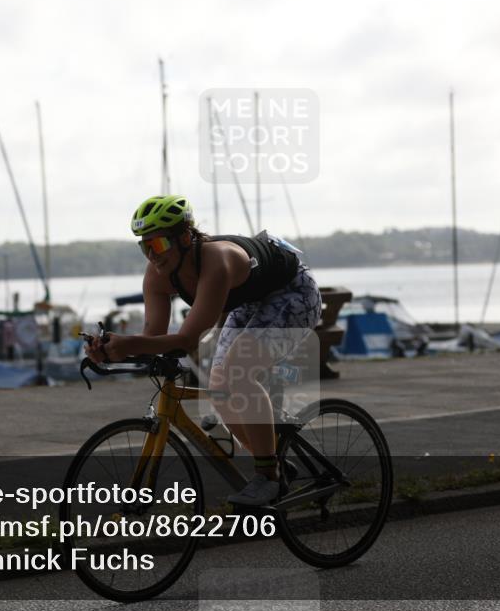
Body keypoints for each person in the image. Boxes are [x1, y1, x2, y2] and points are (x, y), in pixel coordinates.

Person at [85, 194, 322, 506]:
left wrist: (130, 345)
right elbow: (153, 336)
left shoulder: (217, 260)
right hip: (251, 299)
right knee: (220, 388)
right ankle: (275, 461)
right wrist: (112, 350)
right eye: (145, 247)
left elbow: (187, 339)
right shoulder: (156, 275)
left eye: (158, 245)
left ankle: (269, 477)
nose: (152, 255)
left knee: (239, 374)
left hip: (293, 292)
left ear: (184, 237)